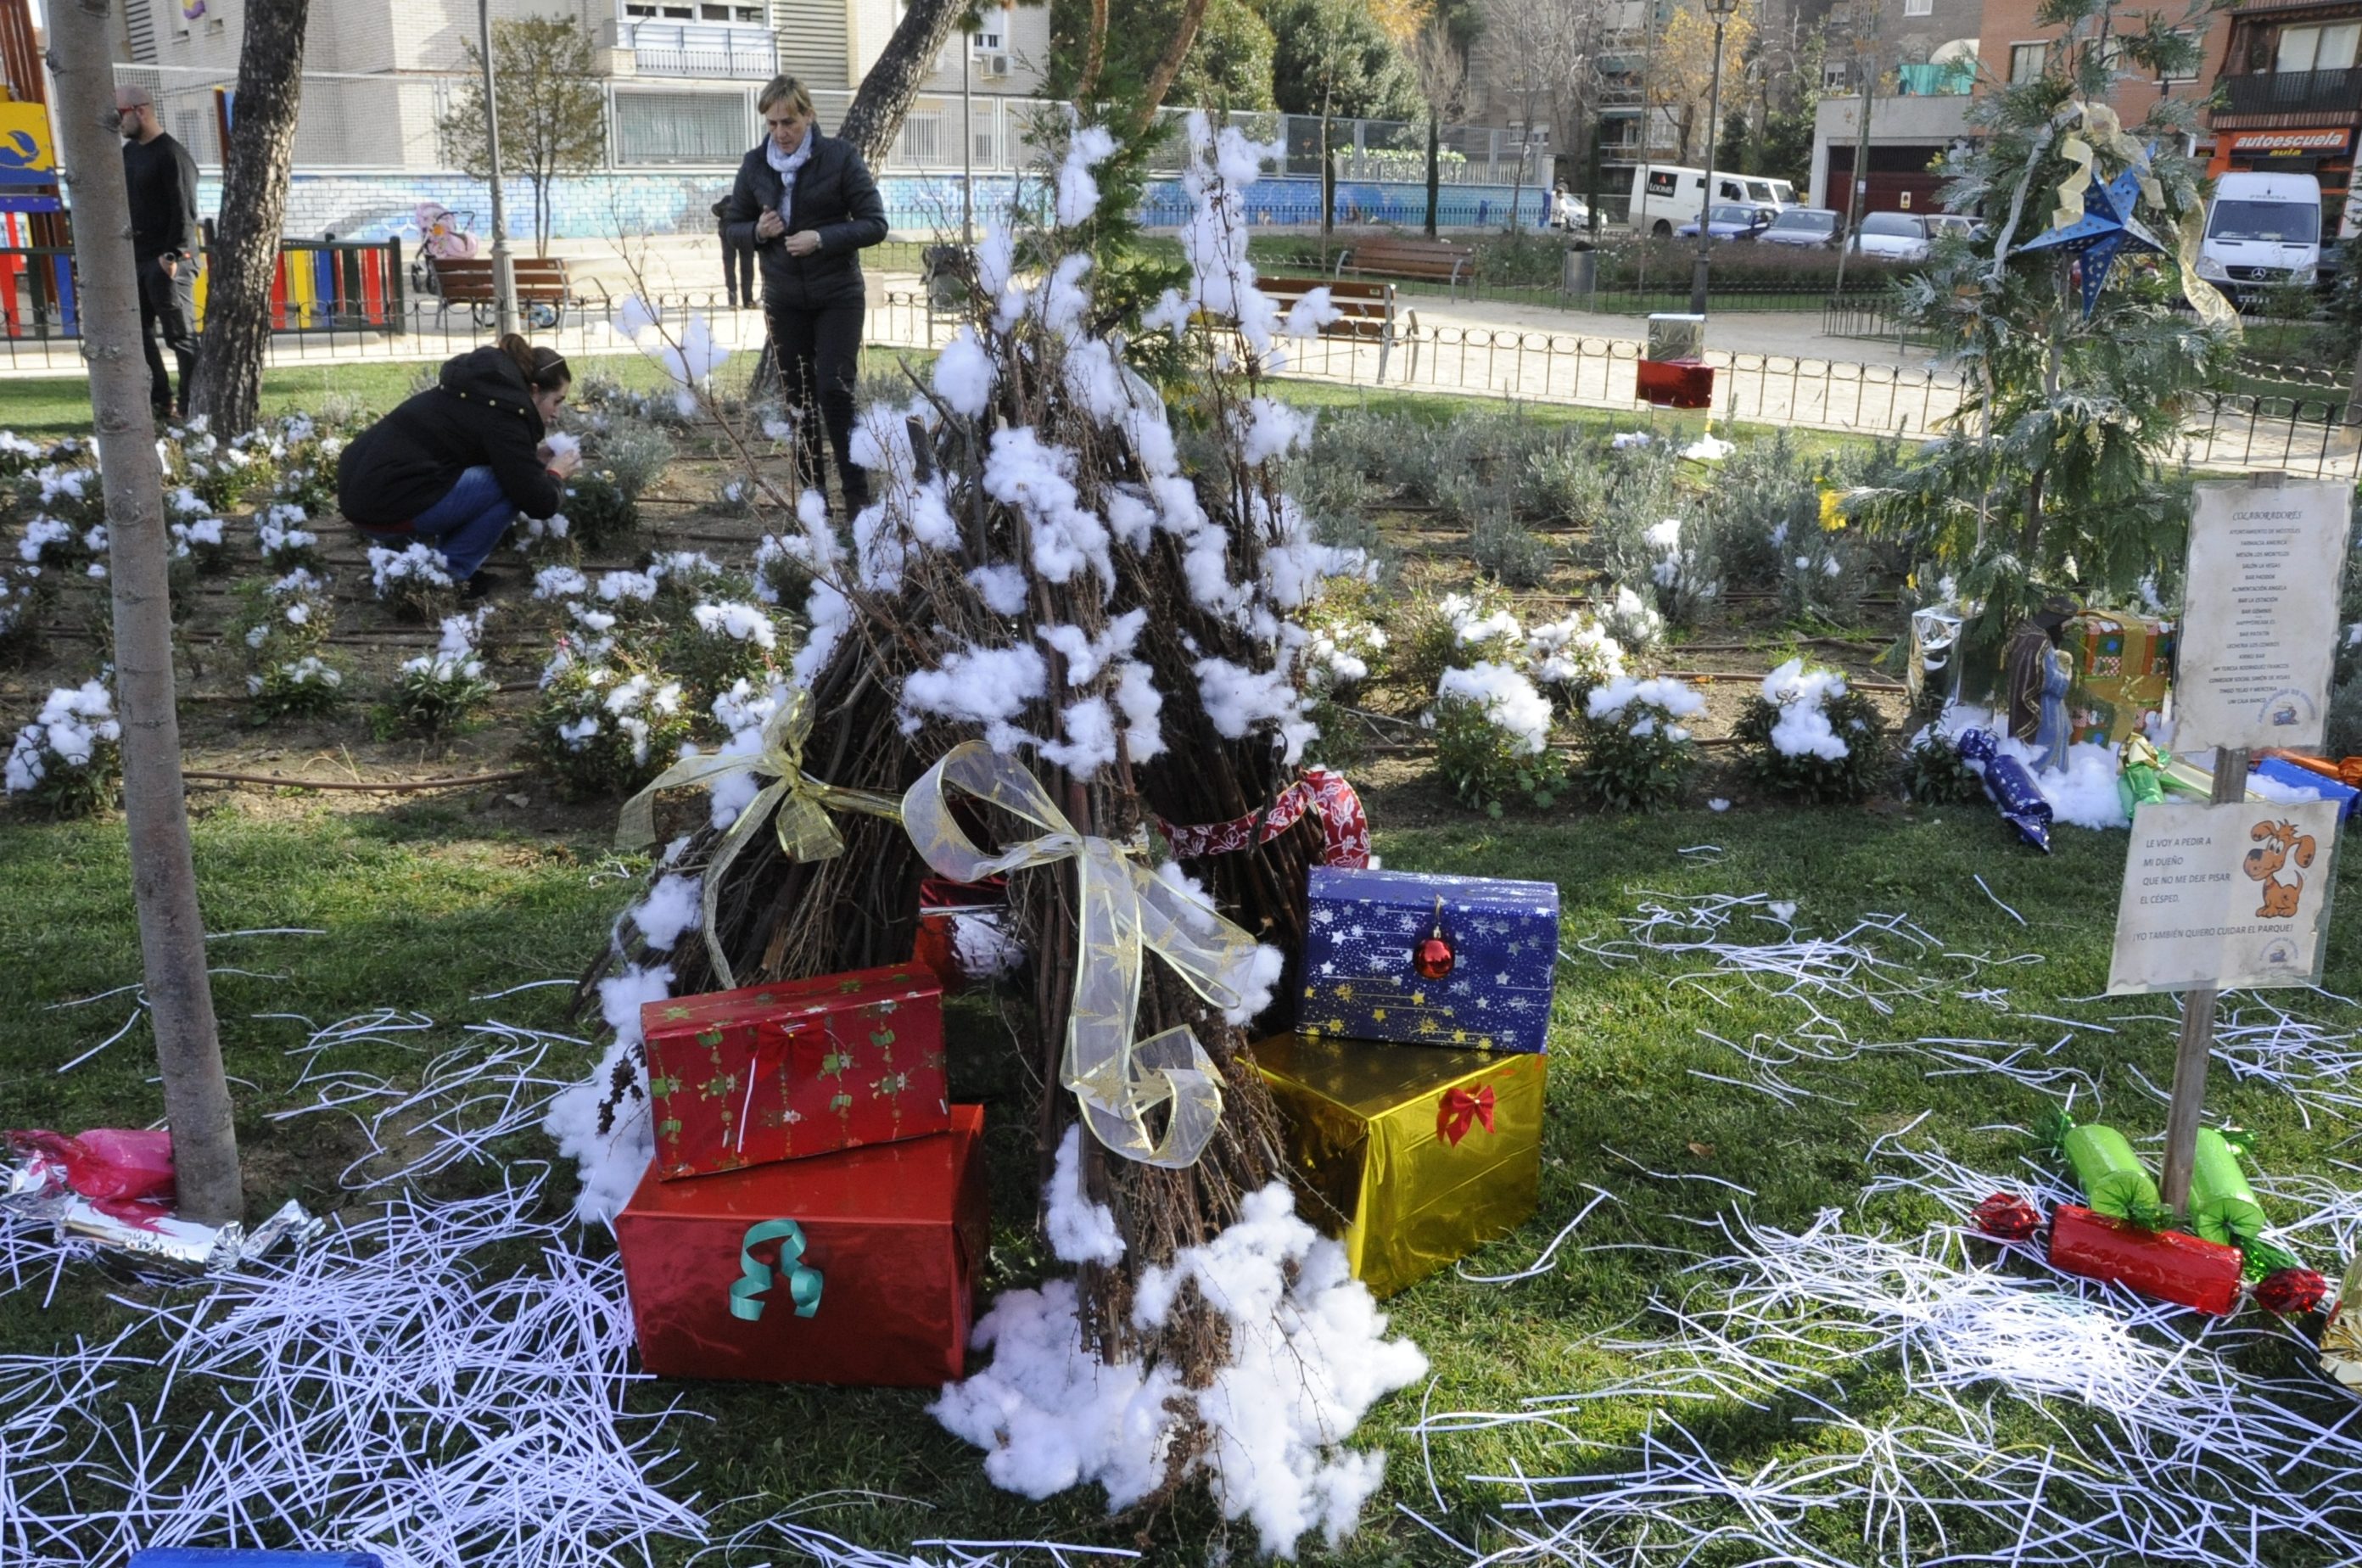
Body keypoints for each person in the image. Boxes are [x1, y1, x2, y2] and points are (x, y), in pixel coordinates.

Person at [722, 75, 887, 512]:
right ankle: (814, 499)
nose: (781, 132)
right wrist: (757, 230)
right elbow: (731, 227)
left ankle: (857, 497)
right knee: (797, 399)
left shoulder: (840, 157)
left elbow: (875, 223)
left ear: (809, 115)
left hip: (838, 294)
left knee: (834, 390)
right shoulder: (755, 164)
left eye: (789, 122)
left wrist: (822, 237)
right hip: (784, 298)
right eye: (773, 124)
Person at [334, 334, 579, 595]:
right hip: (386, 508)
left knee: (513, 476)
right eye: (557, 401)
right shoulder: (507, 412)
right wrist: (554, 474)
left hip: (362, 494)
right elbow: (538, 502)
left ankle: (442, 569)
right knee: (512, 487)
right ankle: (449, 578)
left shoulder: (479, 388)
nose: (556, 413)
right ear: (533, 390)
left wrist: (528, 461)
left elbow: (466, 445)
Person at [116, 86, 201, 421]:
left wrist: (173, 256)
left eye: (120, 113)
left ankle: (192, 406)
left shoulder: (172, 155)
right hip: (137, 259)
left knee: (180, 336)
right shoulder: (129, 153)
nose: (117, 122)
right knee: (139, 336)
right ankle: (160, 402)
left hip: (167, 262)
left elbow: (185, 211)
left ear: (140, 111)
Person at [713, 196, 754, 311]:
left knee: (733, 267)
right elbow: (715, 209)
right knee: (745, 268)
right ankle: (746, 301)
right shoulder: (744, 201)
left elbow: (715, 209)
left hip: (736, 233)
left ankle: (735, 301)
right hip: (741, 233)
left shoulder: (729, 200)